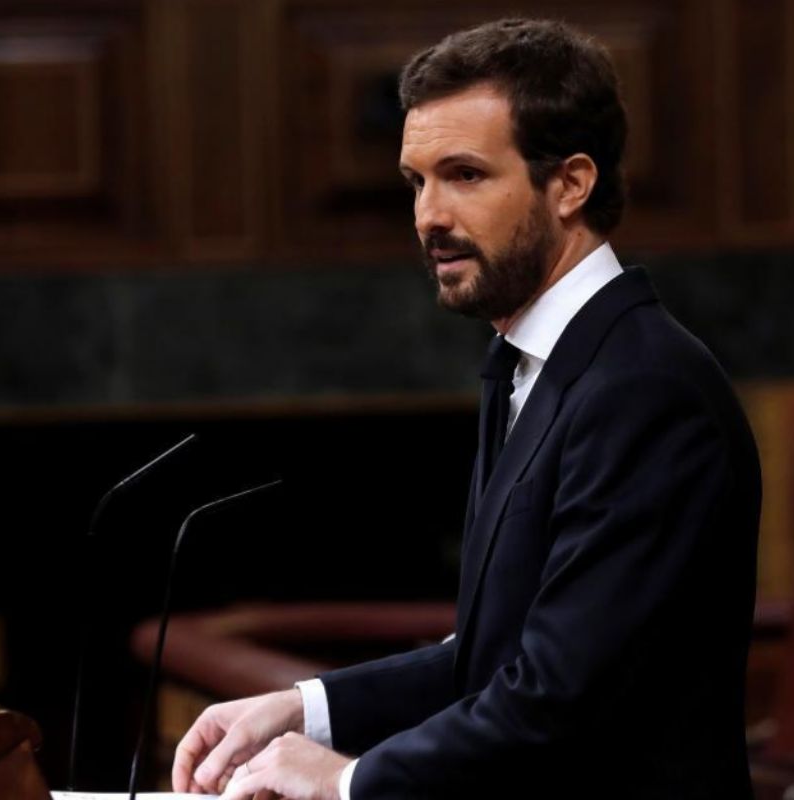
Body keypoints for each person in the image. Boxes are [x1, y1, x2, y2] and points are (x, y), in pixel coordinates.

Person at [173, 17, 762, 800]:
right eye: (418, 181)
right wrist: (300, 711)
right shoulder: (525, 366)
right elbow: (493, 660)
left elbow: (562, 697)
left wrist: (350, 782)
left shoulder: (645, 390)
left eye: (465, 175)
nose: (428, 217)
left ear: (570, 184)